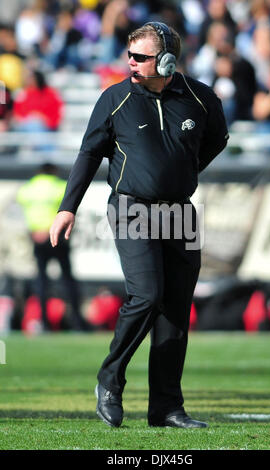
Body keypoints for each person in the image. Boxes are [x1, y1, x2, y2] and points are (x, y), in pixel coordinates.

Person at [50, 22, 228, 428]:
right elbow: (89, 153)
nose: (130, 63)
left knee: (175, 311)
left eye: (141, 57)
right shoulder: (114, 98)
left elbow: (217, 138)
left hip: (180, 213)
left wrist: (186, 170)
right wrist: (67, 207)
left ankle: (165, 408)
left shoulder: (201, 98)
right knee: (146, 295)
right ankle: (110, 381)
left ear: (166, 60)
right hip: (132, 209)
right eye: (129, 55)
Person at [17, 163, 89, 332]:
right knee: (68, 280)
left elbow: (24, 210)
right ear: (53, 171)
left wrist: (36, 231)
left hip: (37, 237)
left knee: (42, 281)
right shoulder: (59, 187)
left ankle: (44, 322)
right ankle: (77, 322)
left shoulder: (27, 189)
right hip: (57, 237)